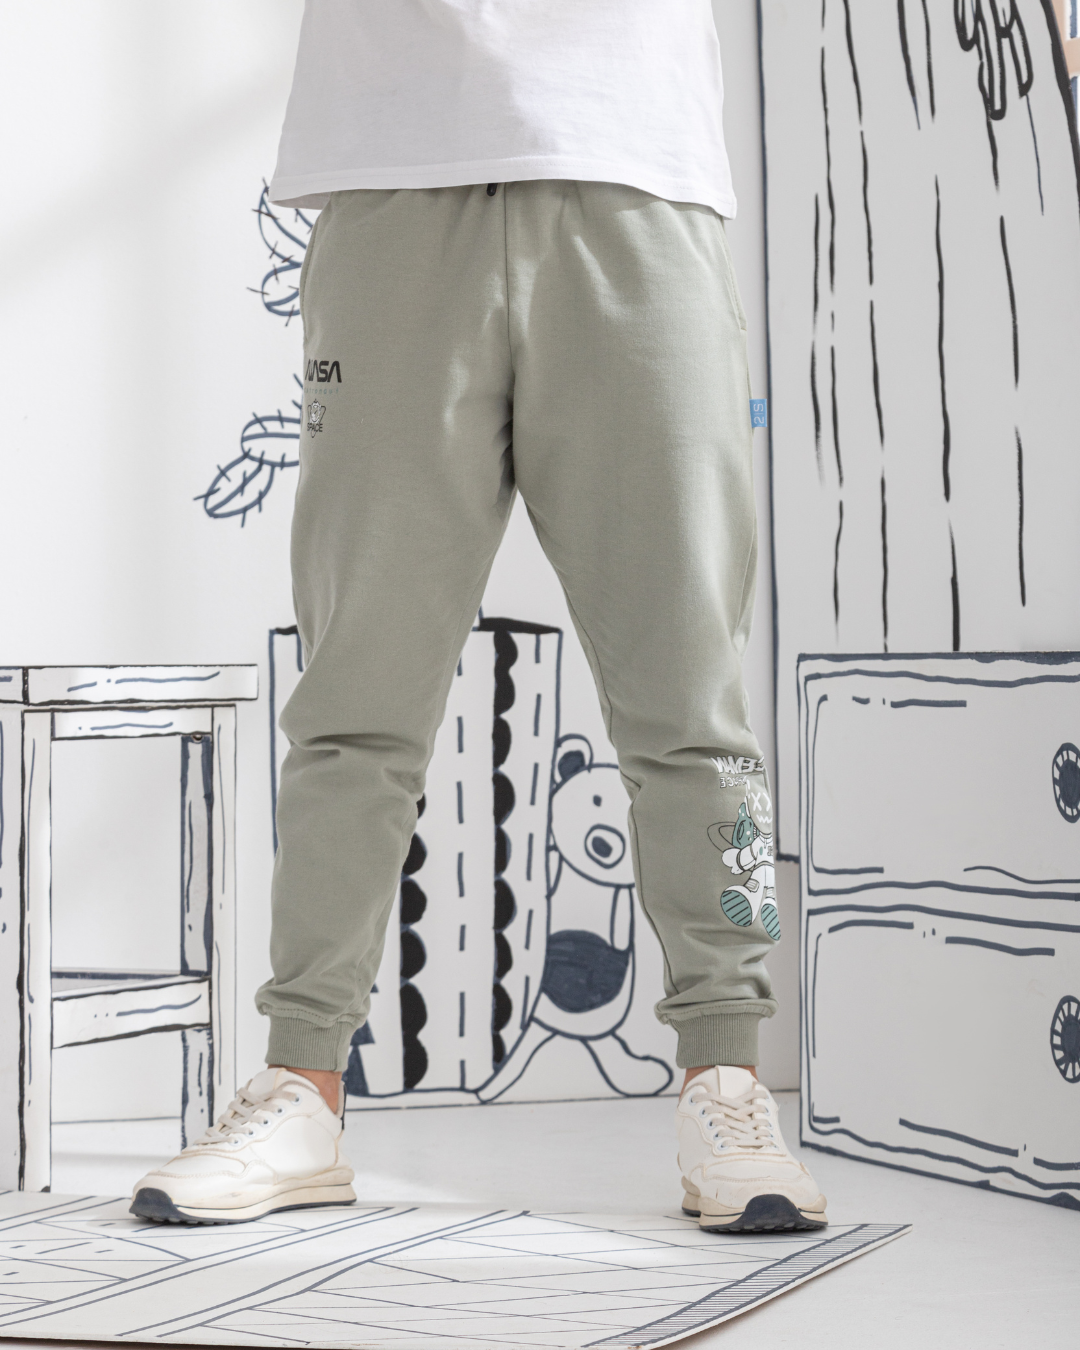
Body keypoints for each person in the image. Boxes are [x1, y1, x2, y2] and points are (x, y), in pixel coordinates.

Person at [130, 0, 826, 1233]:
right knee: (354, 697)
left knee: (697, 705)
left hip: (635, 174)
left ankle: (728, 1077)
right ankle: (301, 1085)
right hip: (395, 178)